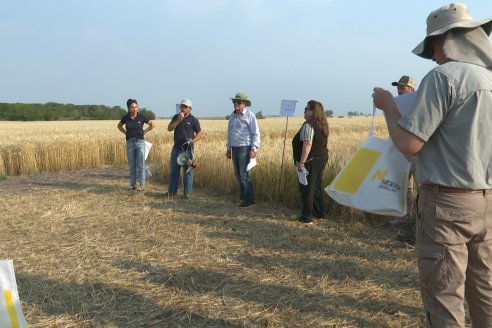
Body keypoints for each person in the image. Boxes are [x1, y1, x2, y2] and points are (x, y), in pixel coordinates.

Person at [372, 3, 492, 327]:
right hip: (487, 202)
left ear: (446, 40)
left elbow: (409, 143)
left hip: (446, 206)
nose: (433, 53)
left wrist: (387, 106)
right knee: (485, 293)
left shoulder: (443, 78)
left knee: (444, 296)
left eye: (433, 44)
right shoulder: (488, 79)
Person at [292, 100, 329, 225]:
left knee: (308, 187)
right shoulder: (322, 124)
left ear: (312, 111)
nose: (304, 110)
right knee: (316, 186)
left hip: (311, 160)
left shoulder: (308, 125)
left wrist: (302, 163)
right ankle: (319, 213)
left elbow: (307, 144)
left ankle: (307, 217)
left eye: (306, 108)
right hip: (321, 158)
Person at [226, 92, 260, 208]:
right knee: (238, 174)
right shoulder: (232, 116)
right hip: (234, 148)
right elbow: (229, 133)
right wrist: (228, 148)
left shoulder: (250, 116)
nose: (236, 104)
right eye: (234, 102)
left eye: (238, 102)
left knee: (244, 174)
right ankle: (243, 197)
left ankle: (250, 199)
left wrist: (254, 149)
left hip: (244, 148)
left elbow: (256, 133)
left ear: (244, 104)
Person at [166, 98, 202, 199]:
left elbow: (199, 134)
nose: (183, 108)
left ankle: (187, 194)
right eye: (182, 106)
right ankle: (172, 193)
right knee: (174, 171)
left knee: (188, 172)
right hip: (176, 149)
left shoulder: (193, 120)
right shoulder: (176, 117)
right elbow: (169, 128)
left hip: (187, 150)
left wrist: (193, 141)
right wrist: (178, 119)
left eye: (185, 107)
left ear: (190, 109)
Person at [117, 99, 154, 192]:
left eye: (136, 107)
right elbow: (119, 126)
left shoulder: (141, 117)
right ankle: (132, 185)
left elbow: (152, 124)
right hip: (130, 143)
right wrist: (126, 133)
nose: (134, 109)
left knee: (141, 165)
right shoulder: (126, 118)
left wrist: (144, 131)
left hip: (140, 142)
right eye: (132, 107)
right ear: (129, 109)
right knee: (132, 165)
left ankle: (141, 186)